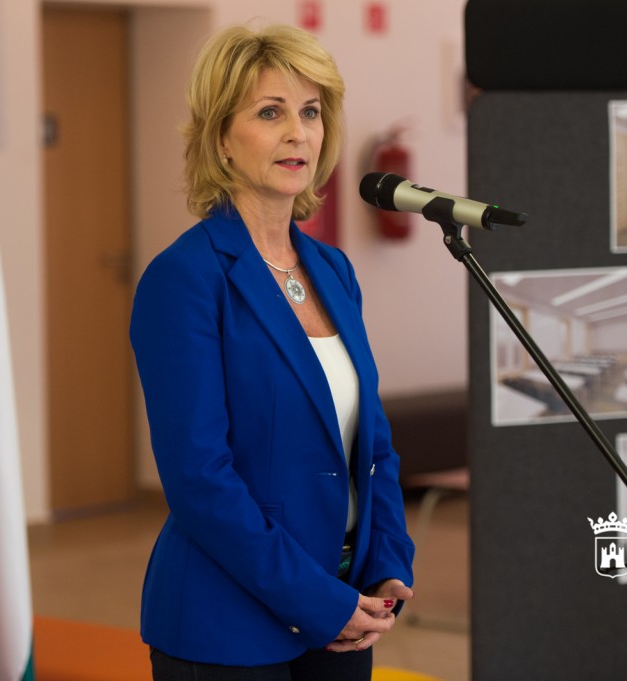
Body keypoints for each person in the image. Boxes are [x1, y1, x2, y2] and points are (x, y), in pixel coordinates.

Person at [130, 23, 415, 681]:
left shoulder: (333, 270)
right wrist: (317, 602)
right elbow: (200, 478)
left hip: (345, 608)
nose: (298, 133)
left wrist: (388, 560)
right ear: (221, 140)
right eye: (270, 112)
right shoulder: (184, 278)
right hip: (227, 624)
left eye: (311, 112)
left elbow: (372, 443)